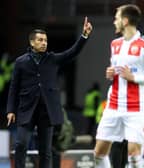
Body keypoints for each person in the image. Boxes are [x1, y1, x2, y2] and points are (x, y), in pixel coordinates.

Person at [6, 17, 92, 168]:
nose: (44, 43)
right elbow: (14, 87)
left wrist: (84, 36)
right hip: (26, 110)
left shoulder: (52, 59)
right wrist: (10, 110)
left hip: (47, 110)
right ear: (32, 43)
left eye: (45, 40)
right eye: (40, 40)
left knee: (46, 151)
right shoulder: (21, 62)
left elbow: (72, 53)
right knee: (21, 144)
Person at [94, 4, 144, 168]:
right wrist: (111, 74)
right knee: (98, 153)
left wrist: (135, 77)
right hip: (113, 106)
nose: (114, 22)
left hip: (136, 109)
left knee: (134, 155)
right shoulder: (115, 44)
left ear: (125, 21)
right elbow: (118, 71)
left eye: (117, 18)